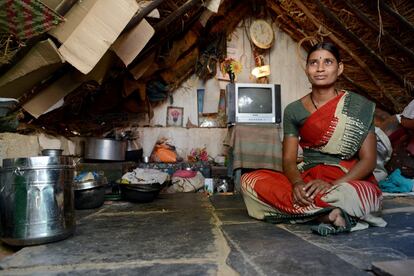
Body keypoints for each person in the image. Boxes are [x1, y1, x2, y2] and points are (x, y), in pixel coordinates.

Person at [241, 42, 386, 236]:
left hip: (347, 179)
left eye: (328, 62)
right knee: (249, 180)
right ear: (307, 69)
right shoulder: (293, 110)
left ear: (339, 68)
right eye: (313, 63)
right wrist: (297, 184)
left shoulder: (361, 107)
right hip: (307, 177)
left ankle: (313, 211)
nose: (320, 68)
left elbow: (368, 161)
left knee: (356, 195)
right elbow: (289, 160)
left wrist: (333, 185)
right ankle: (325, 214)